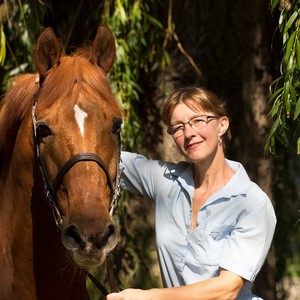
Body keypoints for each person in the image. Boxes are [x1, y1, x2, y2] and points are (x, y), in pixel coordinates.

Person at [107, 87, 277, 300]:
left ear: (222, 125)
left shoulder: (252, 203)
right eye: (178, 127)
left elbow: (227, 289)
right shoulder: (166, 181)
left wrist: (148, 297)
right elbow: (103, 158)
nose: (189, 134)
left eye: (198, 120)